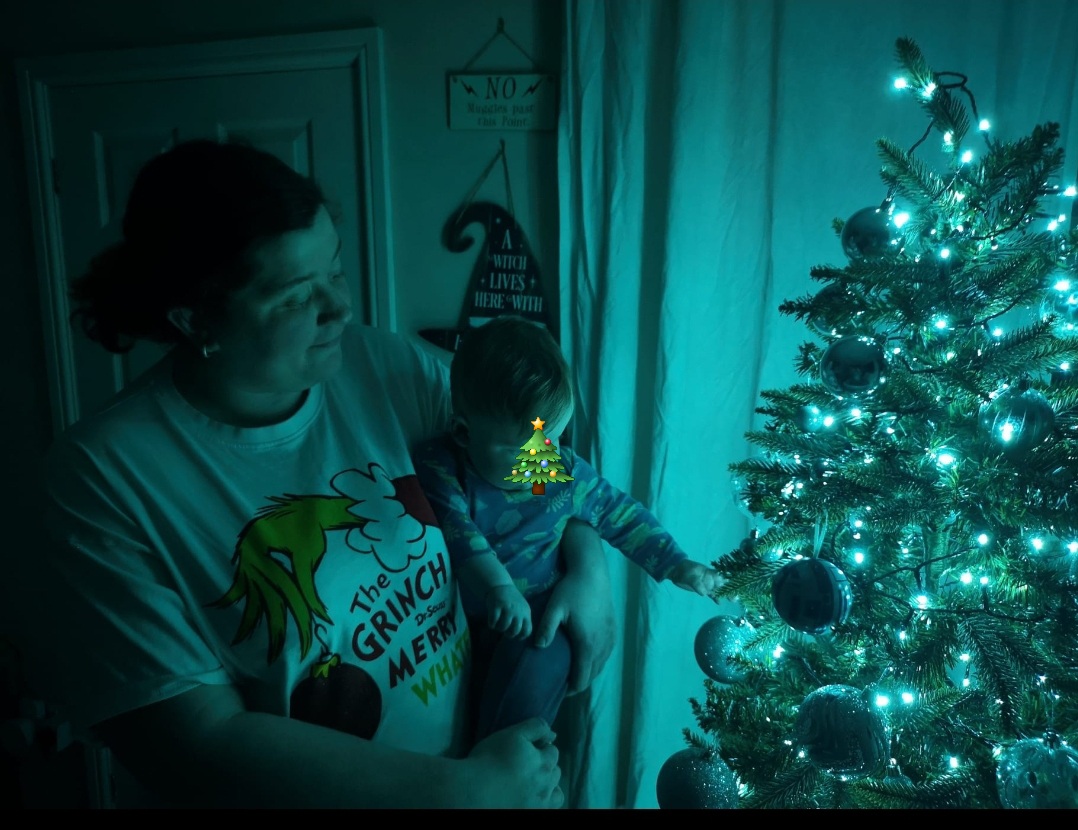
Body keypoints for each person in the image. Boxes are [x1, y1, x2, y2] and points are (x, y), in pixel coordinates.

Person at [17, 139, 617, 808]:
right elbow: (192, 744)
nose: (340, 308)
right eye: (294, 296)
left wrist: (587, 563)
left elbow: (527, 454)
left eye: (333, 269)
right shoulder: (102, 481)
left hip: (492, 769)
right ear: (197, 320)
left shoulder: (380, 365)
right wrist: (459, 791)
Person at [412, 315, 722, 743]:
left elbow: (619, 513)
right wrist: (498, 586)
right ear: (465, 433)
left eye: (554, 437)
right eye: (527, 448)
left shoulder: (555, 470)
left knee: (530, 681)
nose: (545, 457)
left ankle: (507, 763)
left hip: (545, 612)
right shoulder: (442, 466)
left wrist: (675, 562)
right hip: (471, 619)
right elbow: (457, 529)